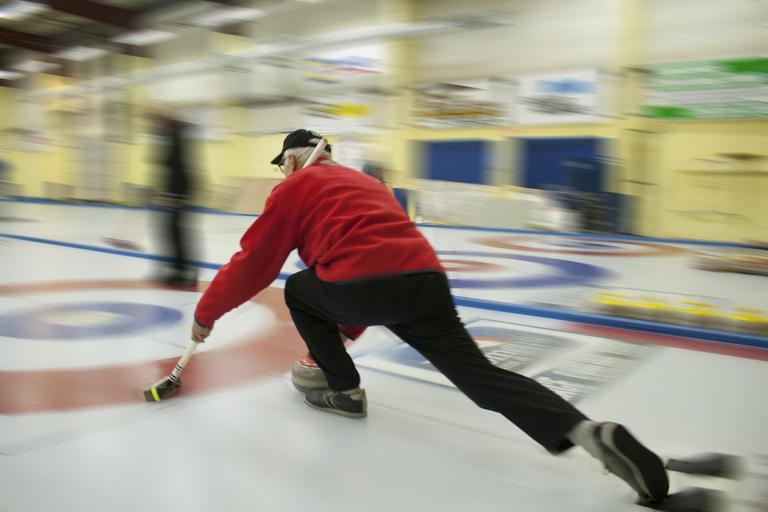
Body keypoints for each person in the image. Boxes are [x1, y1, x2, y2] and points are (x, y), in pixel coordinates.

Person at [190, 129, 669, 504]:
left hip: (362, 283)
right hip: (425, 282)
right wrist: (346, 327)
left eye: (281, 166)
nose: (281, 174)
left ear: (293, 159)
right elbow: (372, 252)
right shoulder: (368, 183)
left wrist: (206, 313)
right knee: (480, 375)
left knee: (298, 287)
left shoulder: (296, 187)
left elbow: (256, 263)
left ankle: (344, 390)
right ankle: (588, 433)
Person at [149, 109, 198, 287]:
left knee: (176, 232)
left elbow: (177, 167)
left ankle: (184, 271)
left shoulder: (176, 136)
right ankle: (176, 269)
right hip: (176, 189)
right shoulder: (172, 135)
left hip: (179, 190)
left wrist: (172, 193)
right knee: (171, 231)